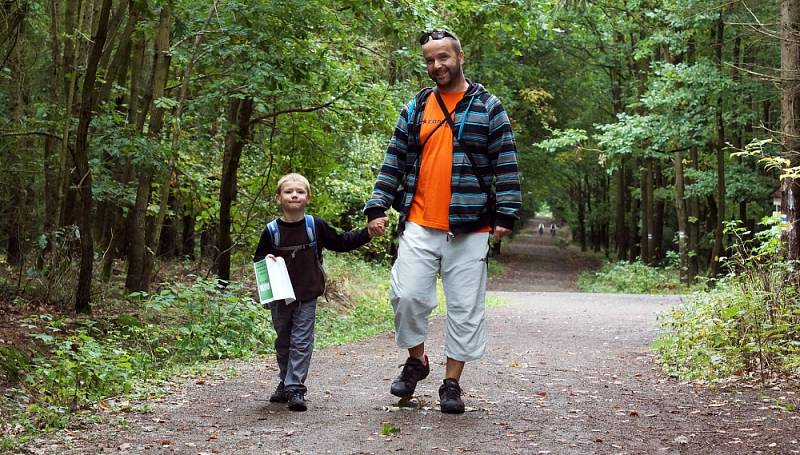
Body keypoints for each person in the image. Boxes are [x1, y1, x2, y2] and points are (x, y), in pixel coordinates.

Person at [364, 30, 521, 414]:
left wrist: (506, 213)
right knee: (407, 295)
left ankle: (452, 384)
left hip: (470, 226)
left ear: (460, 56)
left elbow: (506, 162)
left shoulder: (488, 106)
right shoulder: (417, 106)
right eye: (430, 60)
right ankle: (417, 360)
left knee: (465, 307)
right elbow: (394, 159)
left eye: (443, 58)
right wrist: (377, 205)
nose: (436, 66)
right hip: (419, 220)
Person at [254, 173, 374, 412]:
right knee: (283, 341)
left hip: (307, 294)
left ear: (308, 197)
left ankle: (296, 387)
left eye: (300, 191)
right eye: (289, 192)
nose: (294, 195)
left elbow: (341, 242)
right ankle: (285, 381)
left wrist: (368, 232)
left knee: (301, 341)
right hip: (280, 296)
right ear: (279, 198)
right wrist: (265, 258)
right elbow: (258, 258)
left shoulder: (314, 226)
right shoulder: (271, 230)